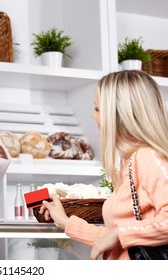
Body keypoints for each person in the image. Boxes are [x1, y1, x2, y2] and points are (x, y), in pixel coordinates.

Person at [39, 70, 168, 260]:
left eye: (98, 109)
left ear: (119, 114)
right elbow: (118, 241)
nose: (93, 116)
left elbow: (121, 235)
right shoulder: (129, 162)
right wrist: (67, 223)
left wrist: (119, 233)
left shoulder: (146, 157)